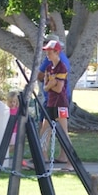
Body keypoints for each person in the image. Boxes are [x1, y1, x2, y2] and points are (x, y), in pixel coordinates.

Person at [38, 39, 72, 170]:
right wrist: (51, 84)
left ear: (57, 52)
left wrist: (51, 84)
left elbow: (59, 89)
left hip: (61, 103)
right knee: (44, 130)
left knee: (63, 132)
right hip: (51, 102)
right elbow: (46, 87)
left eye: (50, 52)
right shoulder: (49, 67)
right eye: (46, 51)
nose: (47, 54)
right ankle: (41, 158)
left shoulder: (61, 67)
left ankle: (70, 162)